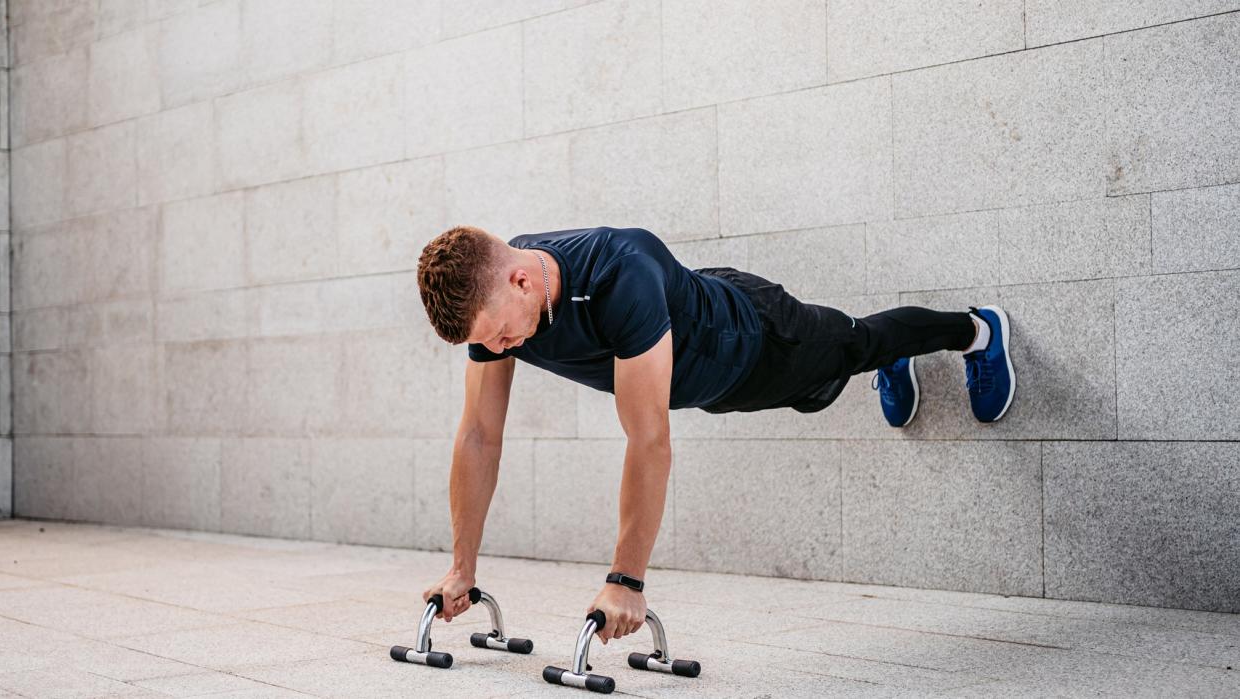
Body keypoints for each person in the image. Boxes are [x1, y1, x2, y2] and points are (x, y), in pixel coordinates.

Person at [415, 224, 1015, 646]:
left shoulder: (620, 272)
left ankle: (975, 332)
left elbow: (648, 439)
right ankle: (889, 357)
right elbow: (479, 437)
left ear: (521, 280)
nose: (494, 350)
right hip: (707, 382)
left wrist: (626, 581)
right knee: (847, 364)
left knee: (855, 347)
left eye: (496, 335)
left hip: (759, 341)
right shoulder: (498, 306)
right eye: (486, 343)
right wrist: (460, 567)